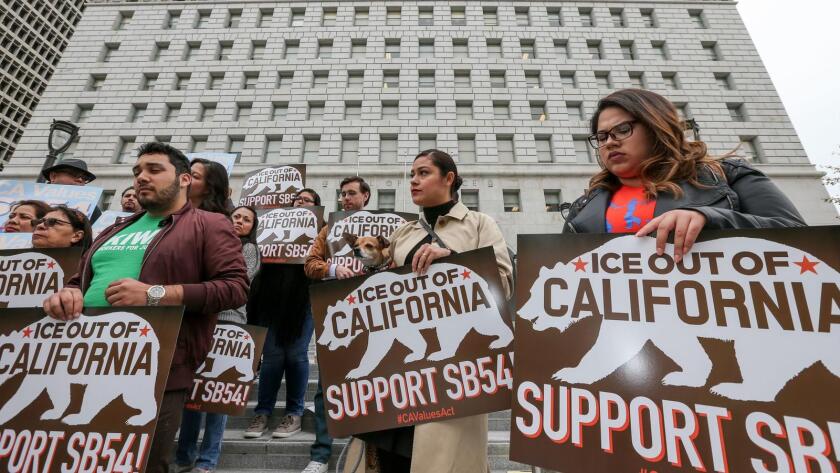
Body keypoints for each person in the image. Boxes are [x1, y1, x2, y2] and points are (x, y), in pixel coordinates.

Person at [41, 141, 249, 473]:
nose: (141, 177)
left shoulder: (210, 224)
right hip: (80, 360)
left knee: (142, 464)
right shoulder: (115, 227)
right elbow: (79, 279)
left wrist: (155, 294)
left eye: (154, 170)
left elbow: (234, 288)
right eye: (137, 171)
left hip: (154, 367)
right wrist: (68, 294)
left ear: (184, 179)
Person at [357, 149, 513, 472]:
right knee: (388, 460)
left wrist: (452, 260)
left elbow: (503, 283)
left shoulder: (480, 224)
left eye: (423, 173)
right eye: (412, 174)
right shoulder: (403, 233)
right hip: (400, 373)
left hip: (452, 372)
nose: (414, 180)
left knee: (440, 459)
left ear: (448, 178)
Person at [563, 88, 805, 256]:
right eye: (602, 137)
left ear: (656, 127)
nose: (609, 142)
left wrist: (710, 218)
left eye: (623, 129)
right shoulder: (582, 207)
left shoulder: (728, 175)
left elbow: (801, 238)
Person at [175, 204, 259, 473]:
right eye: (237, 216)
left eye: (247, 220)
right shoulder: (209, 242)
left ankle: (207, 460)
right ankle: (184, 456)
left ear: (252, 227)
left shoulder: (249, 249)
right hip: (200, 320)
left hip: (230, 322)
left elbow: (239, 279)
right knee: (194, 391)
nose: (240, 221)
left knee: (218, 397)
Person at [301, 177, 371, 473]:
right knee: (327, 385)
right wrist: (332, 267)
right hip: (336, 313)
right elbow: (310, 264)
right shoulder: (328, 229)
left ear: (366, 196)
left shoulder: (382, 227)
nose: (345, 199)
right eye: (342, 194)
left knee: (371, 381)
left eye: (351, 193)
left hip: (373, 314)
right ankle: (320, 455)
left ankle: (367, 452)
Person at [245, 189, 321, 441]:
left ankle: (294, 413)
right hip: (270, 299)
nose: (300, 202)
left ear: (316, 208)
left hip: (302, 301)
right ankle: (262, 413)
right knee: (272, 357)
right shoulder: (271, 227)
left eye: (307, 200)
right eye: (297, 199)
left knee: (297, 355)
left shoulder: (319, 233)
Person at [40, 158, 102, 222]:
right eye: (74, 174)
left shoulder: (91, 209)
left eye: (85, 178)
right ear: (53, 176)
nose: (80, 179)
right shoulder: (34, 198)